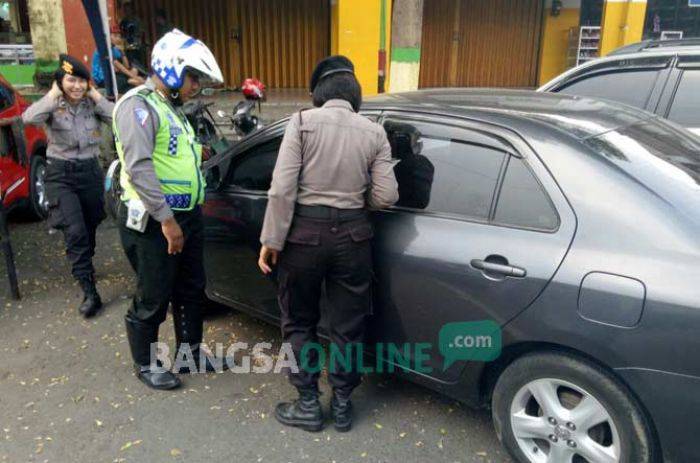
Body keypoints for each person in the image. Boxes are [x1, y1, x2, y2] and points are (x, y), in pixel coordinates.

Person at [258, 55, 399, 432]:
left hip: (303, 236)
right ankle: (341, 404)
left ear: (317, 92)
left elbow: (282, 190)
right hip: (354, 238)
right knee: (347, 325)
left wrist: (271, 239)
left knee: (299, 320)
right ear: (355, 93)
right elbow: (386, 197)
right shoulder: (374, 133)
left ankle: (307, 403)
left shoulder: (301, 123)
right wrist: (354, 204)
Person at [112, 29, 226, 390]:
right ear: (173, 69)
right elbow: (140, 167)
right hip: (154, 221)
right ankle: (145, 364)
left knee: (192, 288)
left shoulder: (169, 108)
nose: (197, 85)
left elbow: (174, 155)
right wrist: (167, 220)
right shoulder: (138, 106)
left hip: (186, 216)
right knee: (154, 293)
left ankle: (189, 355)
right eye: (193, 77)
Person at [21, 54, 114, 317]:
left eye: (82, 81)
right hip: (60, 174)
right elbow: (28, 117)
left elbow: (118, 117)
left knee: (91, 221)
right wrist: (52, 95)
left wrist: (97, 97)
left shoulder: (91, 104)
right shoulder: (53, 104)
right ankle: (89, 290)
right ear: (60, 82)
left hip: (90, 171)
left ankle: (86, 259)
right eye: (70, 80)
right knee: (75, 231)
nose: (76, 86)